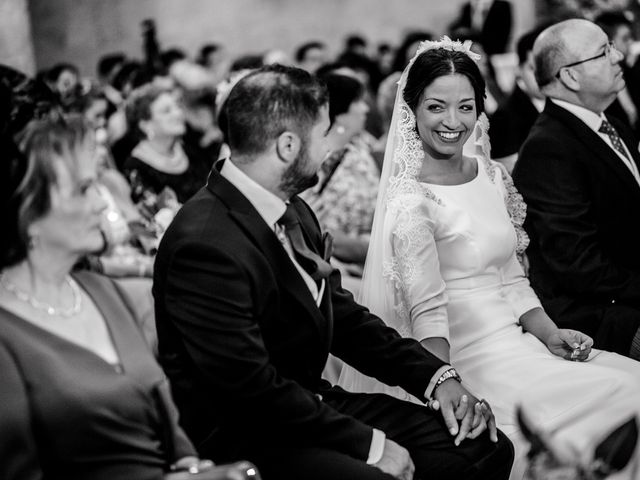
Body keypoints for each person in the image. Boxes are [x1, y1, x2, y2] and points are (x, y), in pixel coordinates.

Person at [153, 63, 514, 480]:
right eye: (326, 133)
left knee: (484, 447)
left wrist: (437, 377)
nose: (334, 145)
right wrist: (371, 445)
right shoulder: (205, 244)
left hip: (312, 403)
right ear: (288, 146)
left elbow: (344, 319)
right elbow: (249, 388)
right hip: (249, 431)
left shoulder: (291, 208)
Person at [337, 37, 640, 480]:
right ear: (412, 110)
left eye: (465, 106)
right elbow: (426, 312)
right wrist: (443, 386)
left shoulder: (491, 175)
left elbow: (510, 276)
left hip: (520, 341)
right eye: (436, 107)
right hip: (466, 359)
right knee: (618, 403)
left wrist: (550, 333)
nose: (452, 122)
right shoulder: (412, 201)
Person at [0, 113, 217, 479]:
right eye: (84, 189)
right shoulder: (8, 333)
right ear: (28, 213)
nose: (103, 204)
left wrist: (191, 466)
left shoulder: (102, 291)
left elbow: (166, 424)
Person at [513, 19, 640, 361]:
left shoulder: (609, 123)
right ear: (570, 76)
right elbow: (578, 264)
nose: (618, 56)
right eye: (603, 51)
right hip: (596, 314)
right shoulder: (549, 148)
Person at [301, 72, 378, 291]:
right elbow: (315, 225)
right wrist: (373, 249)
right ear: (341, 110)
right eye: (357, 101)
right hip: (340, 270)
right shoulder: (317, 159)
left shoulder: (362, 149)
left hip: (369, 264)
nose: (366, 108)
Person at [124, 83, 210, 204]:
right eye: (166, 111)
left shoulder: (189, 142)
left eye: (177, 106)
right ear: (145, 125)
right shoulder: (137, 168)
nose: (178, 114)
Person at [489, 27, 545, 172]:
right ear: (518, 69)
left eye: (548, 67)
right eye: (533, 69)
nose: (543, 76)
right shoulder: (505, 116)